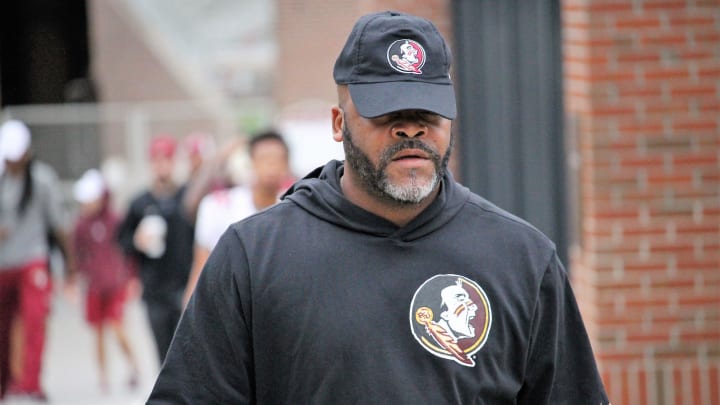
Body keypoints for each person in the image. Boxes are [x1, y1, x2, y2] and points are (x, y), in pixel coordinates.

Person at [148, 11, 610, 404]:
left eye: (426, 114)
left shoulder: (522, 260)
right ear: (338, 122)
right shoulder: (252, 257)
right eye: (387, 114)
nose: (410, 131)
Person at [0, 120, 77, 401]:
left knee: (35, 319)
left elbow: (59, 225)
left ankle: (31, 381)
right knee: (3, 325)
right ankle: (4, 379)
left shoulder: (42, 180)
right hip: (3, 263)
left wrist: (70, 266)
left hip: (32, 259)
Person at [182, 130, 292, 305]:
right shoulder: (219, 206)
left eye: (278, 159)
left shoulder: (295, 209)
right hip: (230, 305)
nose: (272, 165)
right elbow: (201, 267)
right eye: (264, 158)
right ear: (251, 162)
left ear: (287, 164)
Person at [117, 135, 194, 364]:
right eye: (157, 160)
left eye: (166, 160)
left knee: (187, 349)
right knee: (163, 351)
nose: (162, 166)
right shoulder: (140, 202)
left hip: (184, 284)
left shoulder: (188, 198)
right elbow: (122, 240)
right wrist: (137, 242)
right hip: (154, 288)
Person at [71, 169, 140, 392]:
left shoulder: (115, 220)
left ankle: (133, 366)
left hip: (115, 283)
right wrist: (77, 275)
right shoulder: (80, 225)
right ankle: (103, 376)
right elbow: (76, 253)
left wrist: (131, 277)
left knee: (117, 327)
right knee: (98, 332)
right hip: (94, 285)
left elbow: (127, 250)